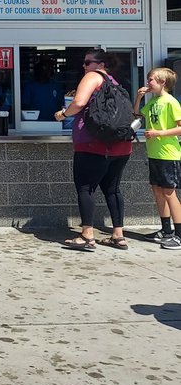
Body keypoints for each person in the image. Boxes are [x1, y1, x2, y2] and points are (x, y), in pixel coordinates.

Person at [55, 48, 133, 251]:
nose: (84, 66)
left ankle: (87, 236)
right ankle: (118, 235)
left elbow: (79, 102)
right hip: (121, 145)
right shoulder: (115, 83)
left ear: (100, 65)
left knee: (85, 188)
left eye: (87, 62)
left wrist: (63, 114)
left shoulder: (92, 77)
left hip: (93, 145)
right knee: (113, 189)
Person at [134, 66, 181, 249]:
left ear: (162, 82)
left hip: (168, 154)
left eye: (151, 80)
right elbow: (137, 114)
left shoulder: (171, 102)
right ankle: (166, 229)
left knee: (169, 193)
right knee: (157, 191)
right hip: (154, 153)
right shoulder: (153, 102)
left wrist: (159, 133)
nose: (148, 83)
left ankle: (179, 234)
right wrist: (138, 97)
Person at [21, 55, 63, 122]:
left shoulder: (55, 86)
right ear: (38, 68)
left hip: (54, 124)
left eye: (50, 67)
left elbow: (61, 106)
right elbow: (25, 108)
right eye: (45, 67)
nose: (49, 69)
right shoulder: (30, 86)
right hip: (34, 124)